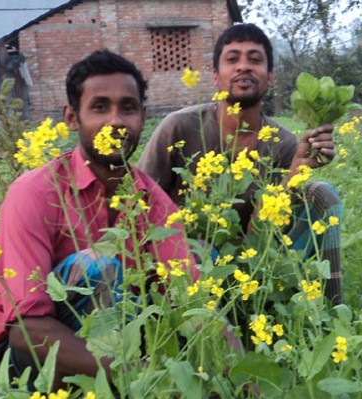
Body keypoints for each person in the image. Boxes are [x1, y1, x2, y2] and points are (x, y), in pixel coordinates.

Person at [0, 49, 200, 390]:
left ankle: (117, 389)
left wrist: (241, 375)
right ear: (72, 117)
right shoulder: (35, 192)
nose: (116, 121)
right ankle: (106, 395)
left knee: (198, 265)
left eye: (128, 108)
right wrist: (139, 377)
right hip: (30, 352)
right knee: (99, 267)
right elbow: (26, 328)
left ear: (143, 117)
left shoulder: (153, 201)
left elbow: (190, 299)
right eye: (100, 107)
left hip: (119, 342)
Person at [137, 23, 344, 304]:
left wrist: (298, 167)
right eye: (232, 59)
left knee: (324, 194)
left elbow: (263, 231)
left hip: (251, 264)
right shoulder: (178, 127)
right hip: (181, 263)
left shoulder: (283, 144)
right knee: (202, 251)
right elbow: (138, 204)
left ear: (270, 76)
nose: (243, 67)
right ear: (214, 76)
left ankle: (330, 309)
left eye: (255, 59)